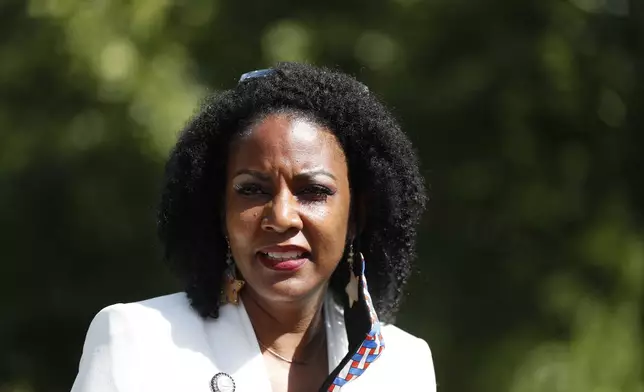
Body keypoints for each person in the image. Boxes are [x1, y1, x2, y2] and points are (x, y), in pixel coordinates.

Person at [70, 62, 436, 392]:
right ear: (220, 210)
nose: (281, 216)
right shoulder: (136, 340)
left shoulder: (403, 365)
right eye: (253, 190)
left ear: (356, 215)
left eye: (313, 191)